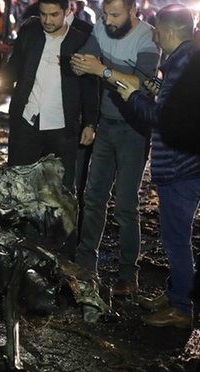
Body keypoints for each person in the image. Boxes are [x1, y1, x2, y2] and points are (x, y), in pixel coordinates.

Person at [115, 4, 200, 328]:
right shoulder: (183, 63)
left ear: (167, 31)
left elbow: (161, 119)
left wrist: (133, 95)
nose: (154, 36)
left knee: (177, 239)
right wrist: (155, 89)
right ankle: (177, 292)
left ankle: (181, 308)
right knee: (177, 237)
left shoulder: (181, 66)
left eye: (157, 31)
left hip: (179, 169)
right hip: (187, 164)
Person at [70, 0, 160, 296]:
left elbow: (143, 84)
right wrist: (82, 64)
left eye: (115, 15)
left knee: (125, 205)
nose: (108, 21)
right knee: (93, 197)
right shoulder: (101, 27)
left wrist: (103, 71)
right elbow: (84, 60)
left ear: (133, 12)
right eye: (106, 13)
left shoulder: (147, 37)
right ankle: (85, 266)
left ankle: (127, 275)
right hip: (106, 124)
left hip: (133, 130)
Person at [5, 0, 98, 192]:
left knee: (59, 191)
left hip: (62, 127)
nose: (47, 20)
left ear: (67, 12)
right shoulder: (30, 34)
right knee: (19, 184)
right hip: (27, 121)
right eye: (43, 14)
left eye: (54, 15)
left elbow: (90, 87)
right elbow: (14, 67)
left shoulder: (81, 41)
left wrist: (90, 123)